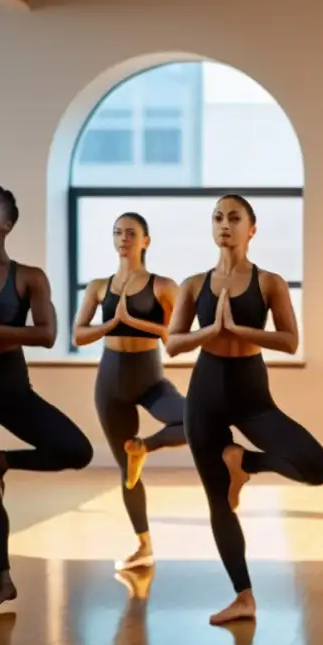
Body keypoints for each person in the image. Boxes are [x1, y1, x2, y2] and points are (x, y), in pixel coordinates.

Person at [166, 194, 323, 625]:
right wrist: (211, 331)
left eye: (234, 218)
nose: (224, 224)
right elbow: (173, 342)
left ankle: (245, 462)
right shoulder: (193, 285)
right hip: (205, 395)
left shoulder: (269, 282)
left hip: (252, 394)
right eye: (218, 217)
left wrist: (238, 329)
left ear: (251, 229)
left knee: (317, 466)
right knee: (218, 500)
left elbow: (291, 340)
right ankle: (243, 597)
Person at [0, 186, 94, 618]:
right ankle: (2, 581)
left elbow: (46, 335)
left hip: (13, 393)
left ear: (7, 224)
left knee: (77, 450)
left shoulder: (30, 277)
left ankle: (0, 462)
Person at [72, 212, 187, 572]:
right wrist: (111, 322)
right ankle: (143, 546)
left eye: (131, 233)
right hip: (110, 382)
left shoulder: (164, 286)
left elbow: (178, 340)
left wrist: (136, 322)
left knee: (195, 420)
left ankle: (146, 446)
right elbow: (78, 335)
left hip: (150, 379)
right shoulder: (98, 287)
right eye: (117, 232)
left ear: (145, 241)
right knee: (127, 472)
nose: (123, 238)